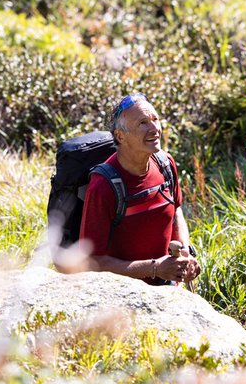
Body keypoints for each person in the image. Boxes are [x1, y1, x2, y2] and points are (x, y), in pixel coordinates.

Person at [80, 93, 202, 286]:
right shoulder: (103, 187)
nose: (155, 128)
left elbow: (175, 210)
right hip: (121, 297)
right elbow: (92, 261)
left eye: (155, 119)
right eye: (143, 123)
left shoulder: (165, 164)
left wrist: (185, 252)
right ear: (121, 136)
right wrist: (154, 268)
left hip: (167, 285)